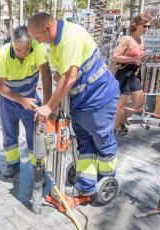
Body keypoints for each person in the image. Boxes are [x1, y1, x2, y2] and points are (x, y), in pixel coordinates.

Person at [28, 13, 119, 197]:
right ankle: (86, 184)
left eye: (38, 37)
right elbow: (60, 76)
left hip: (99, 98)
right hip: (81, 103)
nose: (38, 42)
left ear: (47, 28)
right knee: (84, 142)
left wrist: (49, 106)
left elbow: (69, 78)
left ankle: (107, 179)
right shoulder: (55, 43)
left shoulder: (70, 37)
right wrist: (55, 104)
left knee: (102, 140)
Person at [0, 26, 52, 178]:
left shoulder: (37, 47)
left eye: (27, 49)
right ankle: (13, 164)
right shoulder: (2, 54)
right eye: (19, 50)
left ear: (31, 42)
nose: (24, 54)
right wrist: (21, 100)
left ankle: (38, 168)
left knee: (35, 136)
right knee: (9, 134)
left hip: (31, 99)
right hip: (8, 101)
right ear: (12, 43)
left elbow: (46, 74)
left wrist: (46, 104)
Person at [112, 14, 151, 136]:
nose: (146, 29)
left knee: (139, 102)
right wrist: (134, 58)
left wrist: (139, 60)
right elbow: (115, 56)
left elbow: (137, 58)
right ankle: (114, 129)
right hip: (124, 73)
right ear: (137, 25)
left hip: (135, 73)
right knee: (122, 104)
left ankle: (118, 123)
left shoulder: (141, 40)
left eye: (148, 27)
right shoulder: (127, 39)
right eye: (145, 26)